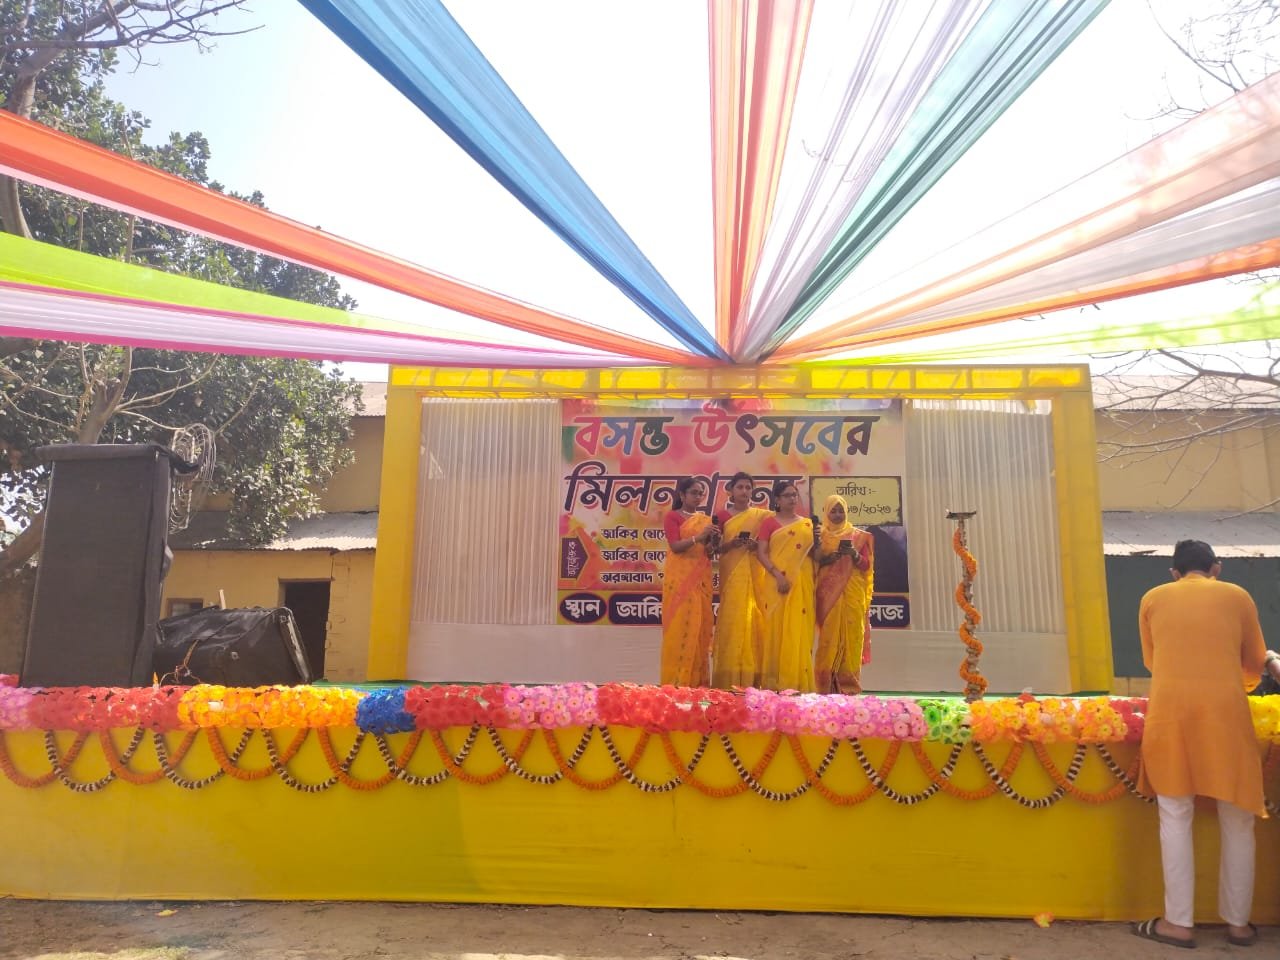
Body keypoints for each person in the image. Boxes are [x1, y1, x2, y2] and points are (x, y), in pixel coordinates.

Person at [1133, 539, 1268, 949]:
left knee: (1175, 814)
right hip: (1226, 717)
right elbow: (1254, 663)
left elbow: (1153, 661)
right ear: (1217, 568)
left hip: (1171, 716)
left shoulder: (1152, 598)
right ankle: (1239, 926)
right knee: (1238, 816)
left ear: (1174, 573)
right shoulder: (1237, 596)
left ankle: (1178, 923)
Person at [711, 471, 772, 688]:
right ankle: (729, 677)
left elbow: (772, 543)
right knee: (733, 619)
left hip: (756, 572)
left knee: (756, 619)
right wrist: (731, 544)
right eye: (740, 487)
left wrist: (756, 546)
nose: (744, 491)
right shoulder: (722, 516)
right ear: (731, 490)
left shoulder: (763, 516)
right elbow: (714, 549)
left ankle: (753, 677)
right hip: (731, 573)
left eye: (748, 487)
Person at [754, 479, 816, 693]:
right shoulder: (769, 523)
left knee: (798, 630)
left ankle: (797, 683)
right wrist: (778, 575)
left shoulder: (808, 525)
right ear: (777, 500)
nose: (792, 498)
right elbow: (761, 553)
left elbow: (815, 556)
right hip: (776, 583)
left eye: (794, 495)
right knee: (776, 630)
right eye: (787, 495)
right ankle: (774, 684)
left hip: (802, 583)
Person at [660, 476, 718, 687]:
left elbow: (708, 553)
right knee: (680, 631)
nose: (698, 496)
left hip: (700, 583)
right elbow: (675, 546)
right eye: (693, 492)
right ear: (682, 495)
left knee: (699, 631)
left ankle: (697, 687)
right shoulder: (673, 516)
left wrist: (713, 543)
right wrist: (699, 537)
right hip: (679, 582)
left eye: (700, 493)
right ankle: (676, 686)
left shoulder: (706, 520)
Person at [813, 494, 875, 694]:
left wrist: (854, 555)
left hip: (853, 595)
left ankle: (849, 687)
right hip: (828, 595)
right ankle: (824, 686)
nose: (838, 514)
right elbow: (814, 563)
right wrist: (830, 558)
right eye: (833, 511)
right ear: (826, 512)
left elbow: (866, 565)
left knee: (852, 639)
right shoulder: (820, 535)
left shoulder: (858, 536)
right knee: (828, 639)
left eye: (841, 511)